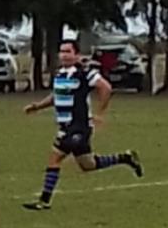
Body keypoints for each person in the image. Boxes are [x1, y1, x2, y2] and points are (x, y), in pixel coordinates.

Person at [21, 40, 143, 211]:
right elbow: (56, 97)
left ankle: (44, 200)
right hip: (65, 126)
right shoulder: (60, 74)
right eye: (61, 51)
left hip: (78, 127)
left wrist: (100, 113)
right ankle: (125, 157)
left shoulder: (85, 73)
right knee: (88, 165)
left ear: (76, 54)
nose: (64, 54)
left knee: (55, 157)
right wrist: (37, 106)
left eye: (68, 51)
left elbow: (105, 88)